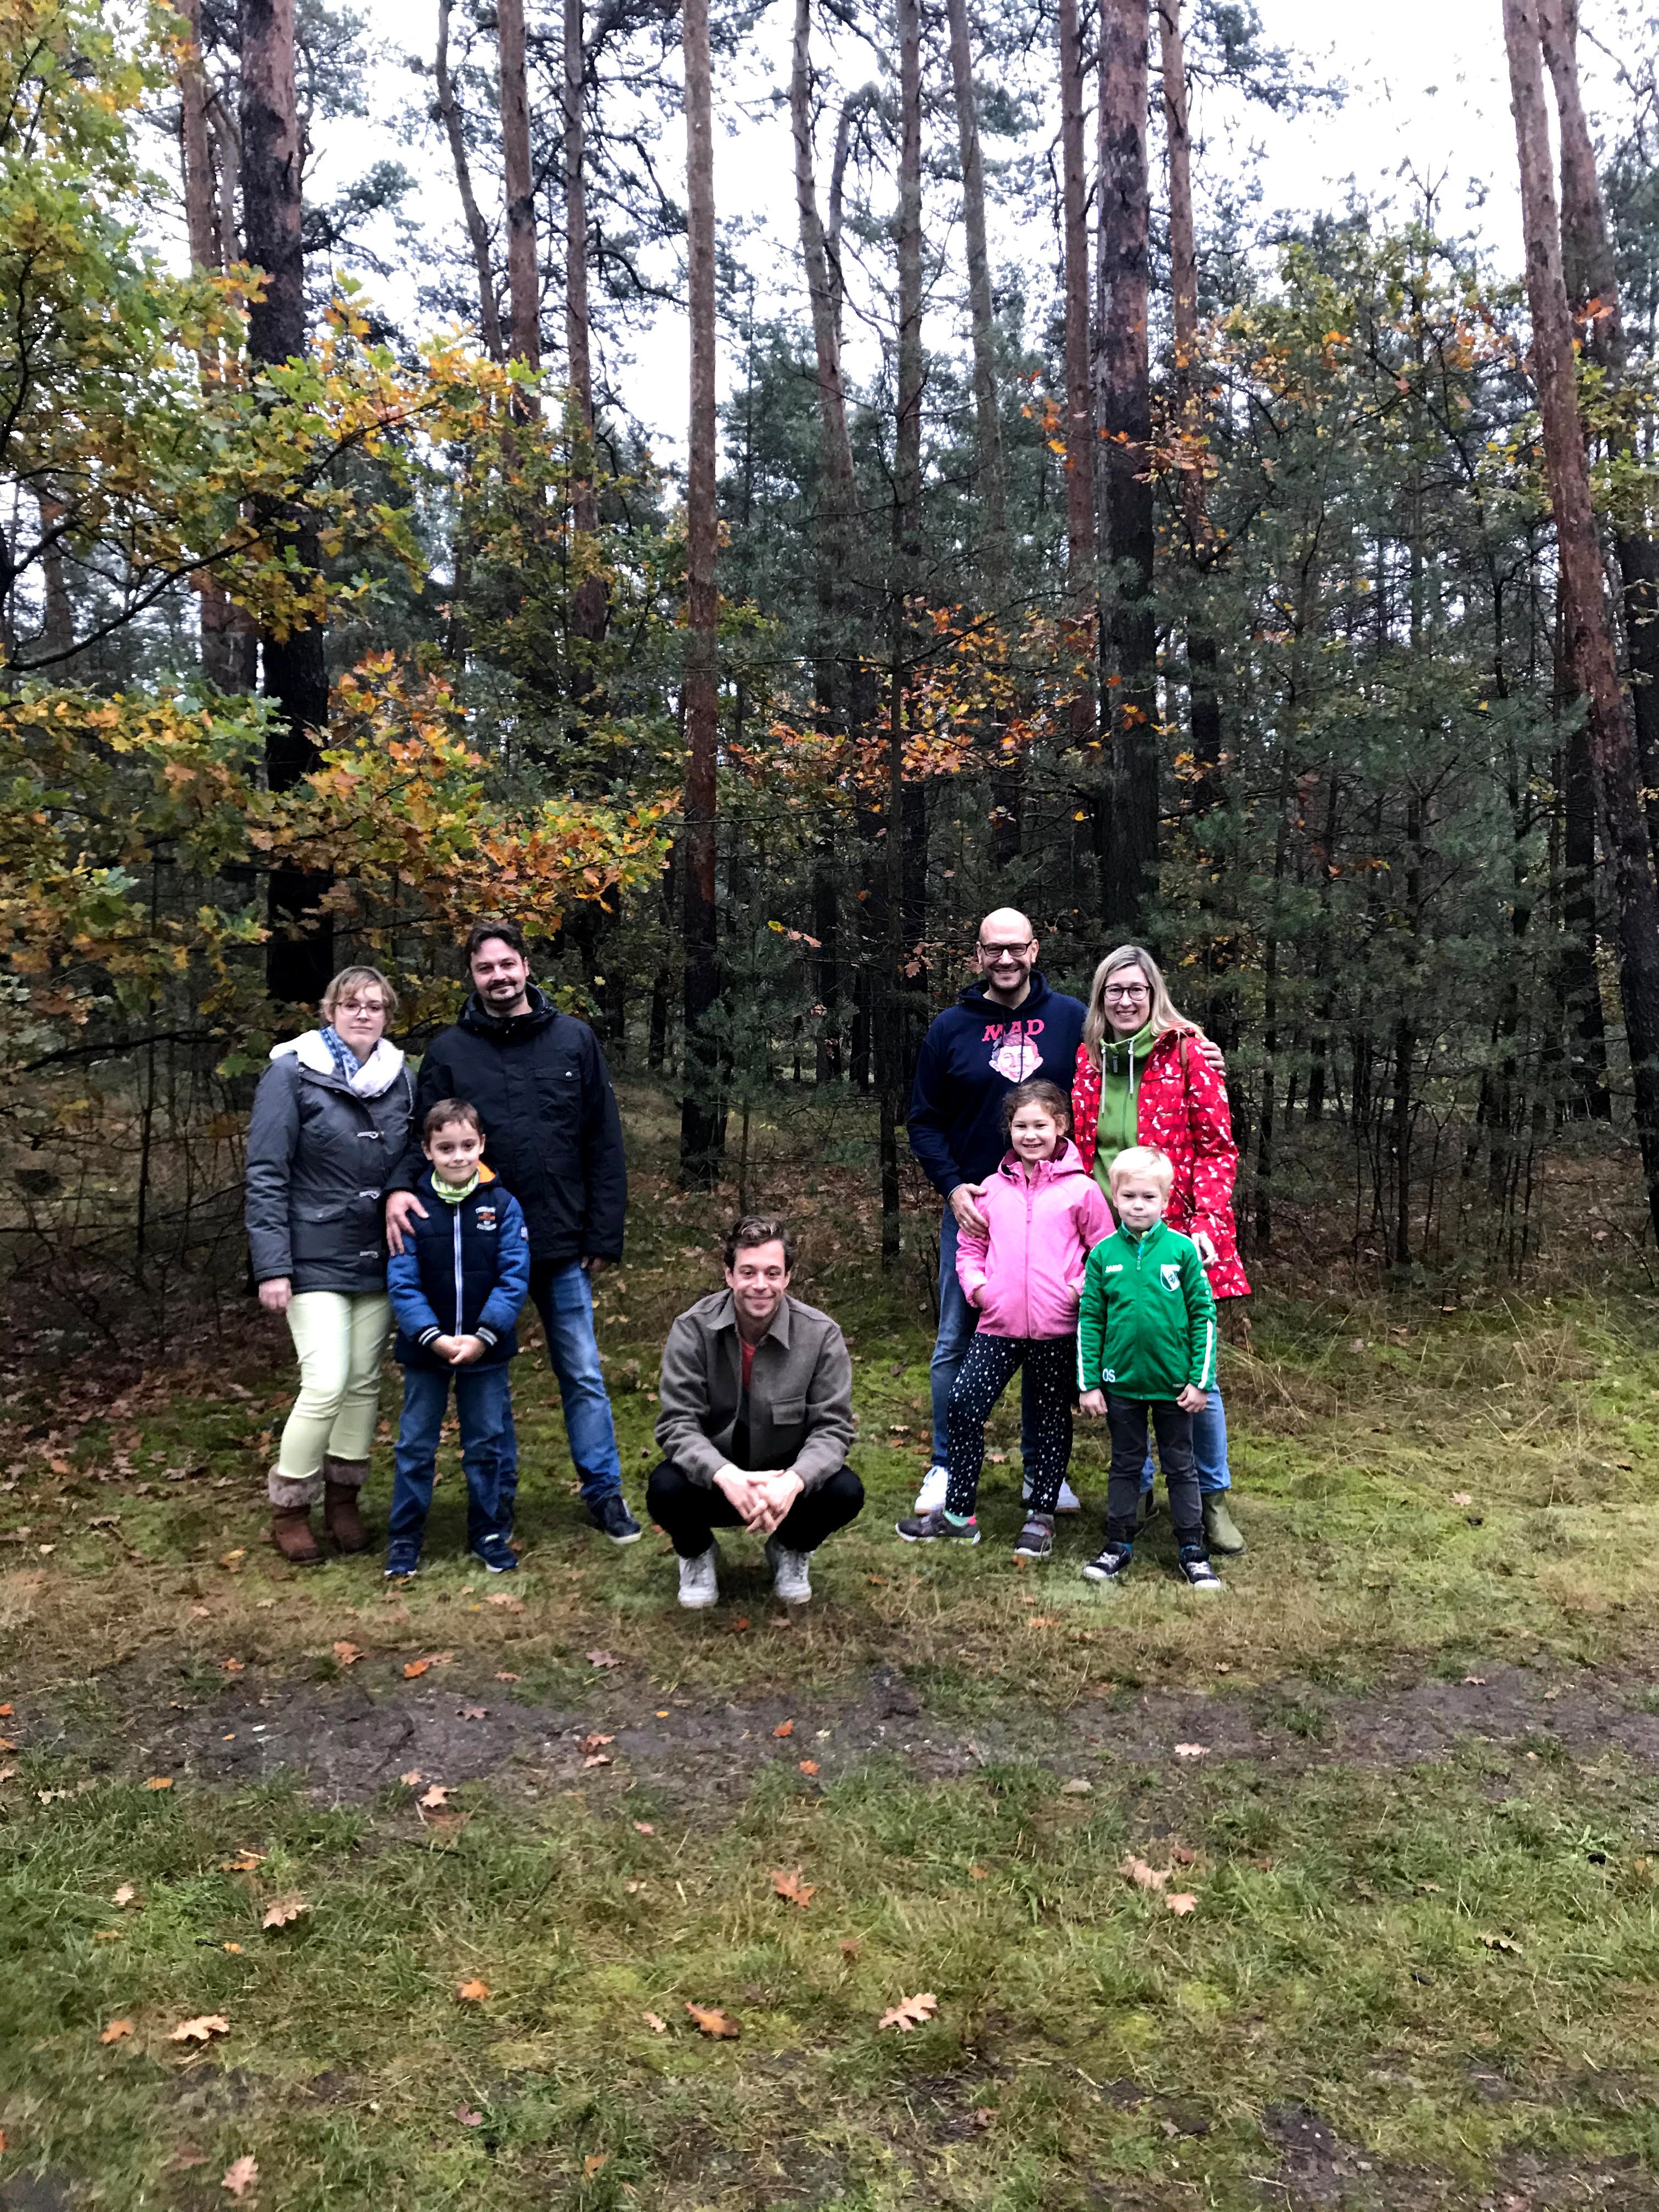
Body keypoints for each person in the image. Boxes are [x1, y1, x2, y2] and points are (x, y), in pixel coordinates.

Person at [384, 919, 640, 1546]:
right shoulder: (449, 1052)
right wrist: (397, 1188)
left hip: (558, 1241)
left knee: (580, 1371)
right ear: (471, 976)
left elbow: (602, 1140)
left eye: (507, 964)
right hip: (471, 1247)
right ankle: (495, 1501)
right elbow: (424, 1135)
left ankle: (604, 1491)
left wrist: (603, 1234)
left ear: (526, 966)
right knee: (485, 1374)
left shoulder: (574, 1041)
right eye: (484, 968)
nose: (498, 977)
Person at [1070, 943, 1249, 1555]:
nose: (1124, 1001)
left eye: (1135, 991)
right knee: (1125, 1361)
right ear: (1101, 999)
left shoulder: (1189, 1051)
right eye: (1113, 991)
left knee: (1194, 1367)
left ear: (1154, 995)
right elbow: (1082, 1146)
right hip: (1108, 1234)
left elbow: (1218, 1147)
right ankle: (1140, 1489)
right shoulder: (1089, 1059)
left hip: (1180, 1235)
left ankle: (1210, 1496)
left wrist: (1206, 1222)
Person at [896, 1081, 1113, 1559]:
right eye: (1021, 1126)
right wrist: (978, 1288)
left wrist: (1077, 1291)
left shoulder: (1083, 1191)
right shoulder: (992, 1189)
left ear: (1062, 1127)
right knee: (964, 1406)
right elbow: (970, 1247)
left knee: (1052, 1420)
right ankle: (958, 1515)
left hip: (1057, 1330)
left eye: (1041, 1125)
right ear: (1008, 1130)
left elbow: (1105, 1253)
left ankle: (1040, 1516)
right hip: (997, 1326)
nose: (1031, 1135)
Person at [245, 964, 415, 1565]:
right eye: (350, 1004)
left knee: (365, 1384)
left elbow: (410, 1160)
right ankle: (290, 1503)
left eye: (375, 1005)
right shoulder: (291, 1073)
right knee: (325, 1381)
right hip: (311, 1253)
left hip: (380, 1257)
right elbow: (267, 1172)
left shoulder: (401, 1079)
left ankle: (344, 1501)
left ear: (387, 1015)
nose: (362, 1013)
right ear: (329, 1011)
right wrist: (272, 1266)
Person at [648, 1215, 862, 1610]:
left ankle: (789, 1547)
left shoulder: (821, 1334)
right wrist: (724, 1474)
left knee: (845, 1492)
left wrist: (794, 1482)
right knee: (664, 1488)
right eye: (748, 1272)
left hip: (783, 1483)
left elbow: (833, 1430)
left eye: (772, 1273)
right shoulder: (691, 1329)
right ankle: (697, 1554)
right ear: (729, 1275)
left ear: (788, 1277)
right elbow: (677, 1423)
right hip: (716, 1481)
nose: (760, 1285)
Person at [383, 1099, 531, 1578]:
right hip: (426, 1350)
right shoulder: (412, 1207)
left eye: (468, 1145)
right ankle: (405, 1536)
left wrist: (484, 1336)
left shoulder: (503, 1205)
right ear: (427, 1151)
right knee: (415, 1444)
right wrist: (431, 1336)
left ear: (482, 1145)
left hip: (486, 1350)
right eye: (445, 1148)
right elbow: (402, 1281)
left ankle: (488, 1529)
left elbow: (515, 1276)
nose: (458, 1156)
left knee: (487, 1440)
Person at [1076, 1146, 1221, 1593]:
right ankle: (1117, 1543)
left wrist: (1200, 1382)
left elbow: (1204, 1316)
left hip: (1175, 1388)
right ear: (1114, 1198)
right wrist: (1089, 1385)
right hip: (1121, 1389)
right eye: (1129, 1197)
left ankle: (1192, 1549)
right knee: (1124, 1465)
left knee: (1181, 1466)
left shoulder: (1181, 1252)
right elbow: (1090, 1321)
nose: (1138, 1206)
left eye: (1148, 1198)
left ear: (1165, 1199)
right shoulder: (1102, 1256)